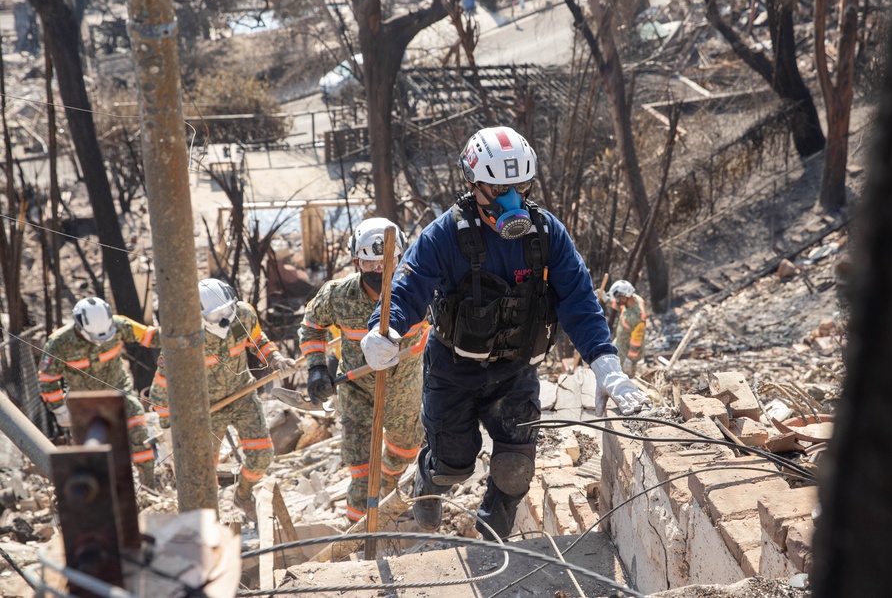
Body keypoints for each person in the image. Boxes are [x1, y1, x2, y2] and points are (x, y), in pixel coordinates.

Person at [360, 126, 650, 540]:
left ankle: (494, 545)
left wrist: (607, 366)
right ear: (473, 184)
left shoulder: (547, 234)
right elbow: (408, 289)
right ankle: (429, 480)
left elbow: (579, 301)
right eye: (497, 190)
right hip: (453, 372)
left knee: (515, 472)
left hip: (515, 373)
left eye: (521, 186)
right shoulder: (445, 235)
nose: (511, 199)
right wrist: (381, 330)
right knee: (453, 465)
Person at [299, 218, 428, 524]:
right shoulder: (338, 296)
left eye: (387, 263)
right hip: (357, 395)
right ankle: (358, 538)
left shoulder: (421, 292)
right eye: (370, 264)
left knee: (401, 458)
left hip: (405, 394)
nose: (380, 272)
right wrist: (317, 368)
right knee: (362, 476)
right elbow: (312, 327)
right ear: (356, 261)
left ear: (400, 258)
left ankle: (389, 508)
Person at [149, 278, 295, 521]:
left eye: (228, 310)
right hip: (207, 409)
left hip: (243, 395)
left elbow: (259, 341)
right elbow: (163, 385)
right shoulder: (185, 336)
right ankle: (207, 521)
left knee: (262, 455)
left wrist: (275, 359)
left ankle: (244, 495)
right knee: (204, 473)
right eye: (218, 315)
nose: (226, 319)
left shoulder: (243, 315)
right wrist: (166, 425)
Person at [37, 297, 160, 487]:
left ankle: (148, 485)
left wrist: (180, 333)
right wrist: (59, 409)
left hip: (119, 393)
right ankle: (102, 493)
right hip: (83, 403)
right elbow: (47, 377)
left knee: (139, 434)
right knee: (91, 452)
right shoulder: (59, 343)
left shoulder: (119, 325)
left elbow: (150, 336)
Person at [607, 279, 647, 377]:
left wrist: (629, 360)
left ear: (624, 296)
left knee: (623, 378)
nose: (617, 301)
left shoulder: (636, 316)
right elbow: (621, 306)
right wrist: (606, 299)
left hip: (627, 352)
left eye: (618, 298)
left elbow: (636, 340)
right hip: (620, 342)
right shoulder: (634, 300)